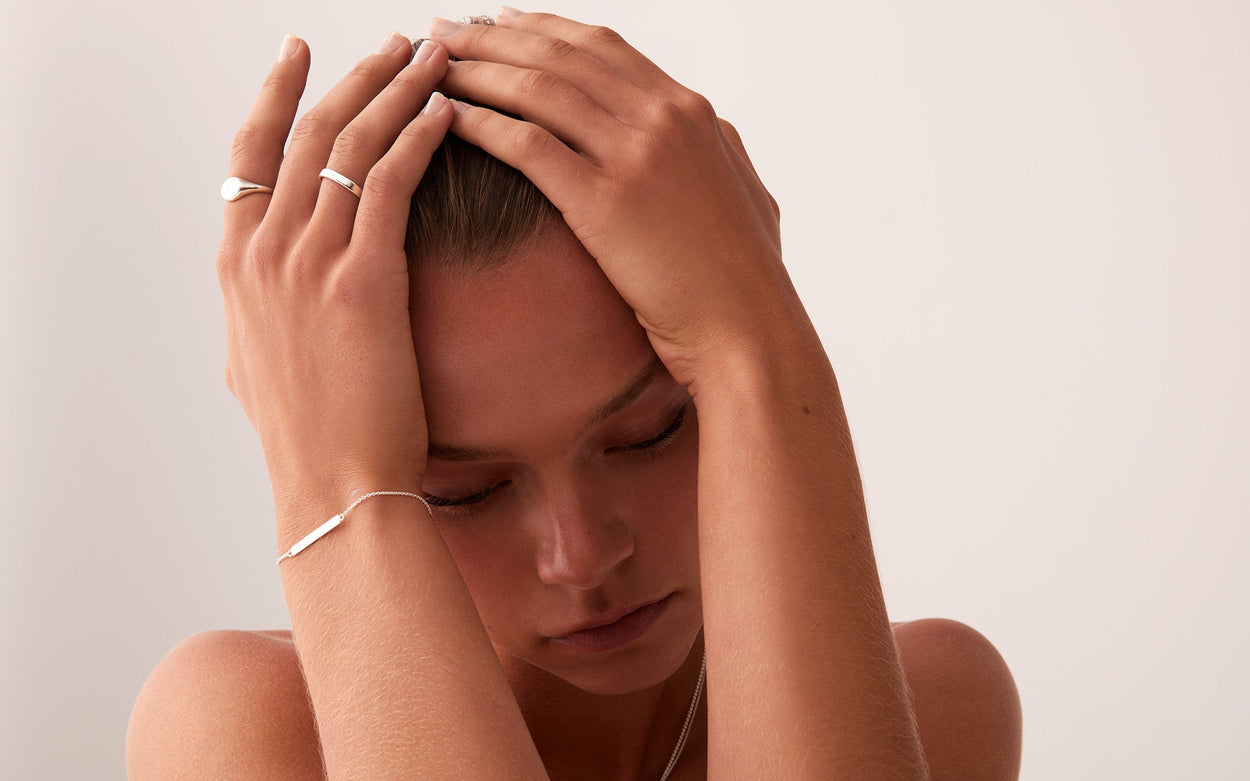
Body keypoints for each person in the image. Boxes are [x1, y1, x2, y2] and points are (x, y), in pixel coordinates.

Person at [127, 10, 1022, 780]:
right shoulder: (246, 727)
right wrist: (330, 484)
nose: (582, 556)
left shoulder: (932, 699)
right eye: (463, 491)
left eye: (648, 432)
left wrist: (759, 342)